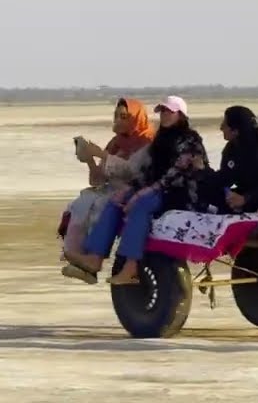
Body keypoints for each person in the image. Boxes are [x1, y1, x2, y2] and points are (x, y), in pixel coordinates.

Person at [64, 96, 212, 285]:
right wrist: (132, 189)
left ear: (181, 115)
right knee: (116, 201)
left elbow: (177, 172)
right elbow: (147, 171)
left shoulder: (189, 139)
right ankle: (94, 258)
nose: (164, 115)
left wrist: (144, 192)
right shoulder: (160, 139)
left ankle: (131, 266)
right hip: (158, 190)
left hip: (182, 192)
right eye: (162, 111)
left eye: (169, 111)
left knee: (140, 205)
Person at [59, 98, 156, 263]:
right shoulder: (116, 143)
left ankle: (91, 258)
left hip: (132, 190)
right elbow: (97, 181)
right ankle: (76, 257)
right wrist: (89, 159)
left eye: (124, 117)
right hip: (109, 189)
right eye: (116, 116)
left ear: (137, 118)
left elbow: (131, 171)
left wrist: (101, 154)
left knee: (99, 206)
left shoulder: (147, 142)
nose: (118, 120)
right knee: (81, 203)